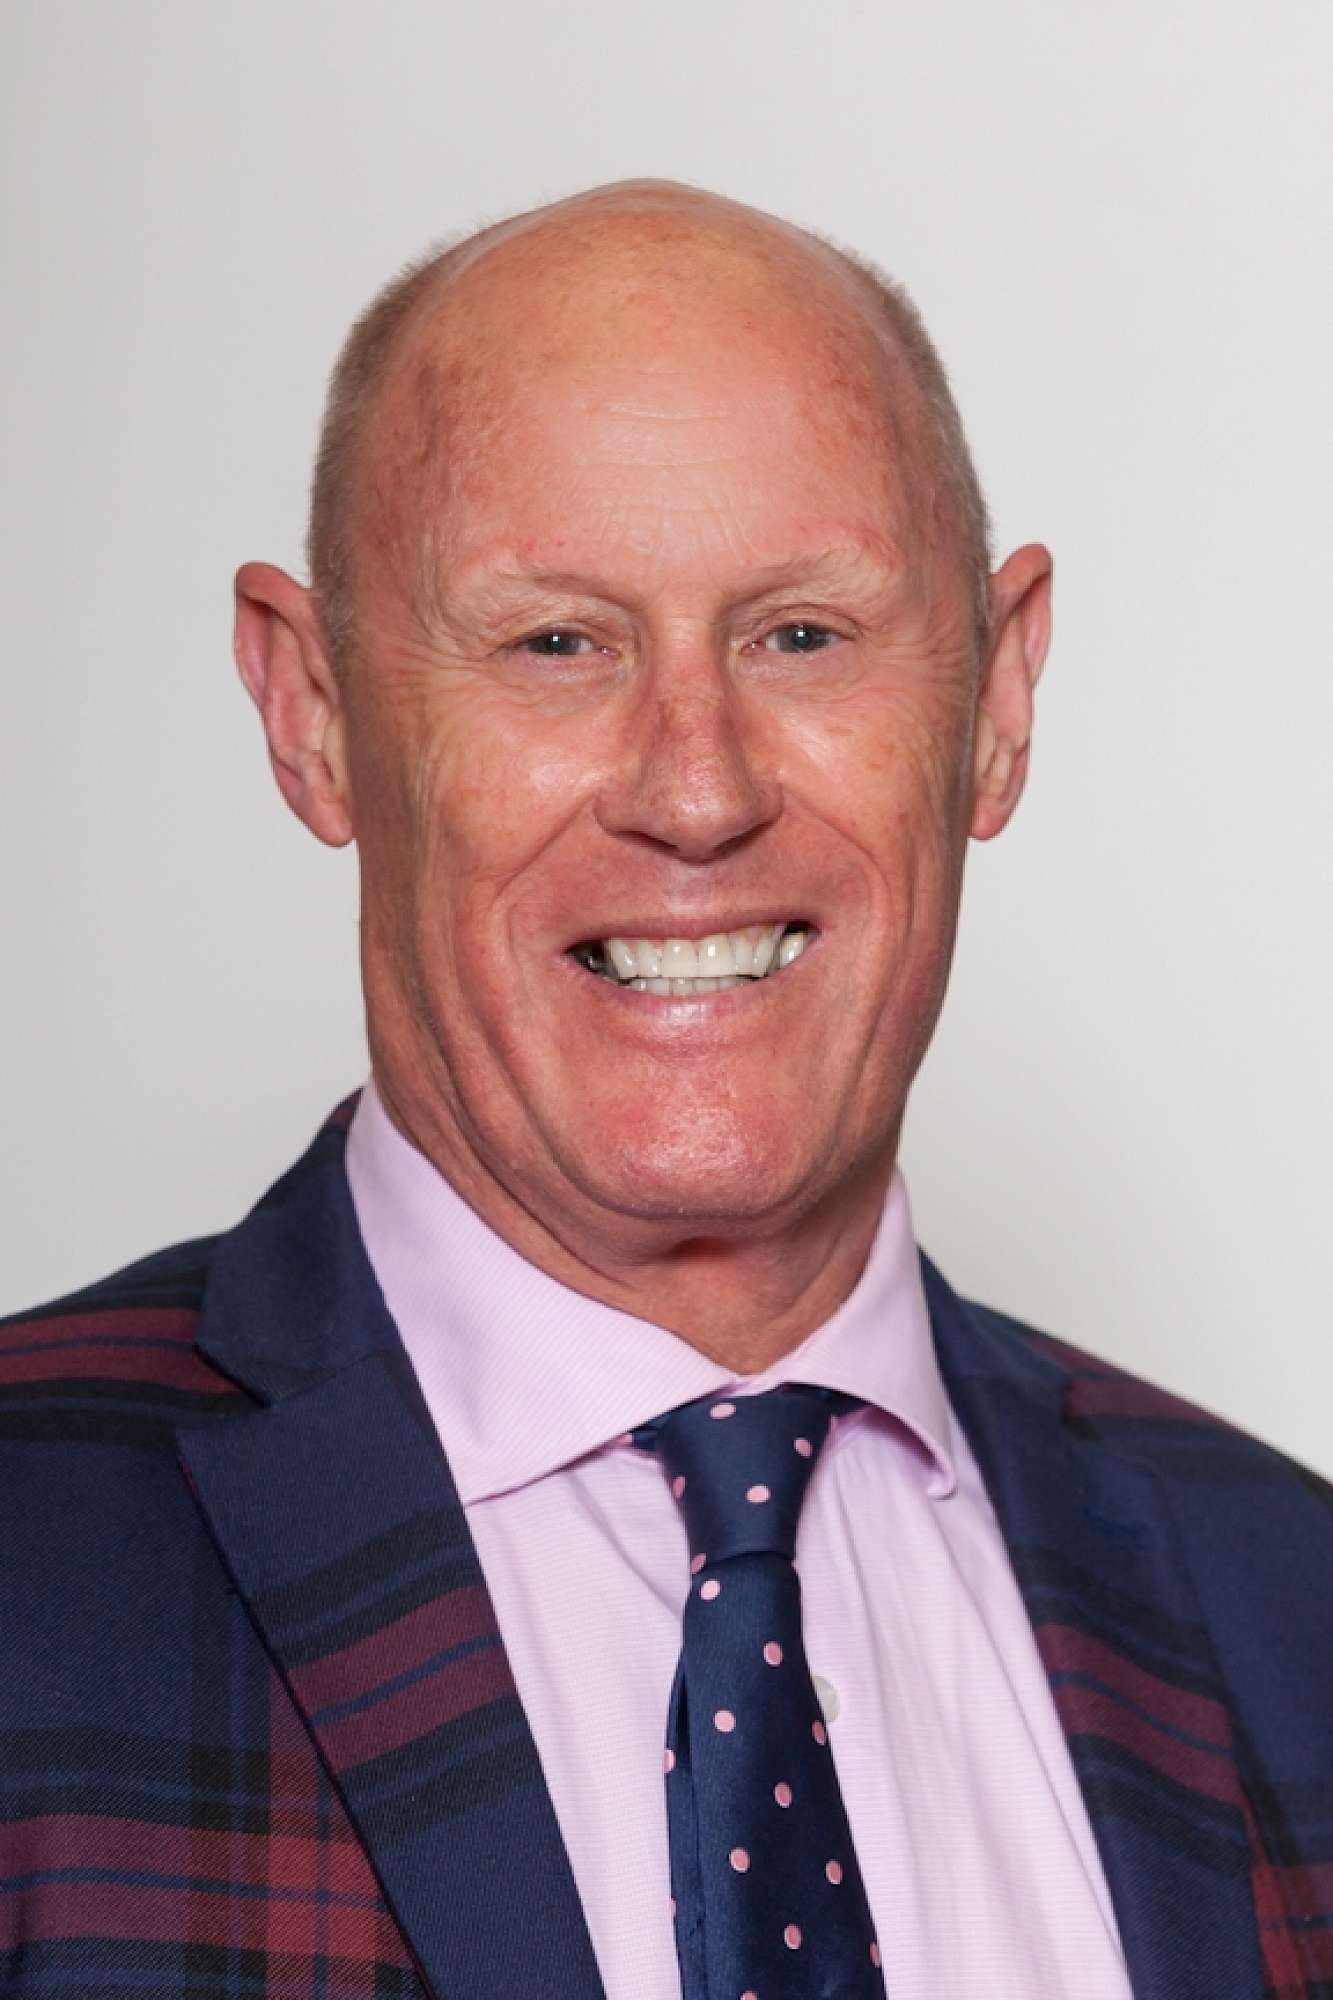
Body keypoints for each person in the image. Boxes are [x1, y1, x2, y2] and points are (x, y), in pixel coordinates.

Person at [1, 180, 1326, 2000]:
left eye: (802, 635)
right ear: (312, 713)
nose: (696, 792)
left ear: (997, 700)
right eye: (556, 642)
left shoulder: (1291, 1607)